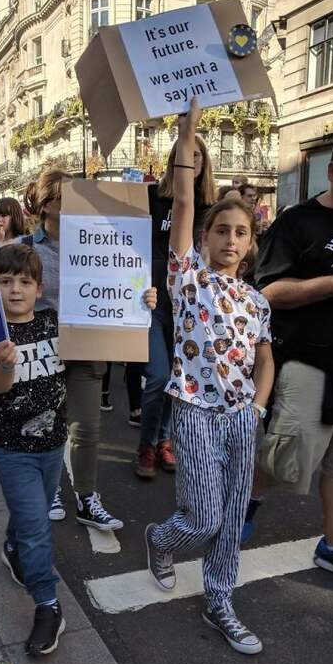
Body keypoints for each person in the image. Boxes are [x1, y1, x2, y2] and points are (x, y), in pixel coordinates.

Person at [144, 99, 275, 655]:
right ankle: (160, 538)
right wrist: (187, 136)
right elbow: (179, 201)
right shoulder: (188, 280)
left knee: (231, 517)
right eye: (220, 229)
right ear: (204, 237)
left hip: (241, 417)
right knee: (202, 515)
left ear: (249, 244)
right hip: (193, 410)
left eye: (240, 232)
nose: (229, 239)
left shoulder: (257, 299)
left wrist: (258, 407)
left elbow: (266, 358)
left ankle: (221, 597)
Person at [252, 126, 333, 595]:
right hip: (309, 362)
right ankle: (247, 502)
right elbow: (267, 292)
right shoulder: (295, 223)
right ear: (332, 171)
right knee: (287, 457)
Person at [27, 170, 156, 529]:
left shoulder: (102, 241)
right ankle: (50, 488)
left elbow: (127, 280)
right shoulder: (28, 248)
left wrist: (143, 295)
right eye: (67, 195)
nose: (76, 202)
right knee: (48, 425)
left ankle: (86, 498)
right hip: (45, 350)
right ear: (47, 203)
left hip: (86, 345)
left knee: (86, 429)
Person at [0, 243, 66, 655]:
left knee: (33, 515)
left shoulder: (54, 321)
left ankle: (11, 547)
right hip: (13, 449)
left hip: (54, 444)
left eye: (24, 282)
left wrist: (139, 303)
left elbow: (106, 334)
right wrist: (5, 363)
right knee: (36, 527)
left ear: (39, 288)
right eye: (6, 281)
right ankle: (48, 604)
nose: (15, 290)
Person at [135, 133, 216, 479]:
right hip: (153, 302)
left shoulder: (213, 208)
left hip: (191, 309)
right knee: (157, 377)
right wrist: (138, 286)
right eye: (186, 154)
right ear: (173, 160)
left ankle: (165, 439)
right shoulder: (154, 197)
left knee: (177, 381)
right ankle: (147, 445)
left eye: (198, 155)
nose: (192, 160)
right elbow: (130, 244)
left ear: (205, 162)